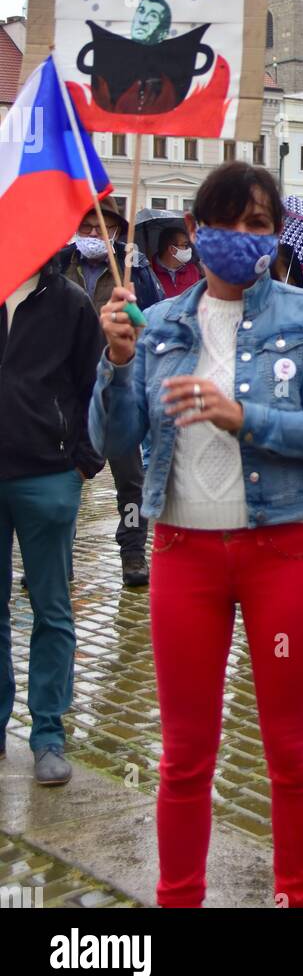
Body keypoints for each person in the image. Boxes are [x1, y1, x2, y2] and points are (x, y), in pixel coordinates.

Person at [89, 161, 303, 909]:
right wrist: (114, 364)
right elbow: (117, 437)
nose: (239, 237)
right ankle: (179, 897)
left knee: (290, 751)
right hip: (184, 556)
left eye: (257, 224)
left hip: (283, 554)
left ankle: (295, 896)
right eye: (223, 222)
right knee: (182, 756)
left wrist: (249, 419)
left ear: (274, 237)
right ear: (194, 231)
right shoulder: (160, 327)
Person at [0, 256, 104, 784]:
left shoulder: (70, 302)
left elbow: (94, 384)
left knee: (52, 608)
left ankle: (47, 734)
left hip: (47, 474)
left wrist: (82, 463)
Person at [63, 198, 162, 587]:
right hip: (68, 387)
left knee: (130, 478)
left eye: (101, 229)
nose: (93, 236)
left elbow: (152, 318)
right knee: (66, 474)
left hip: (117, 380)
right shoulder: (60, 264)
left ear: (117, 232)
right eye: (87, 228)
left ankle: (133, 550)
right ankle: (61, 549)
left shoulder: (132, 266)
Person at [150, 226, 201, 298]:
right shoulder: (150, 272)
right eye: (185, 245)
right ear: (172, 249)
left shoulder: (192, 269)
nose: (188, 249)